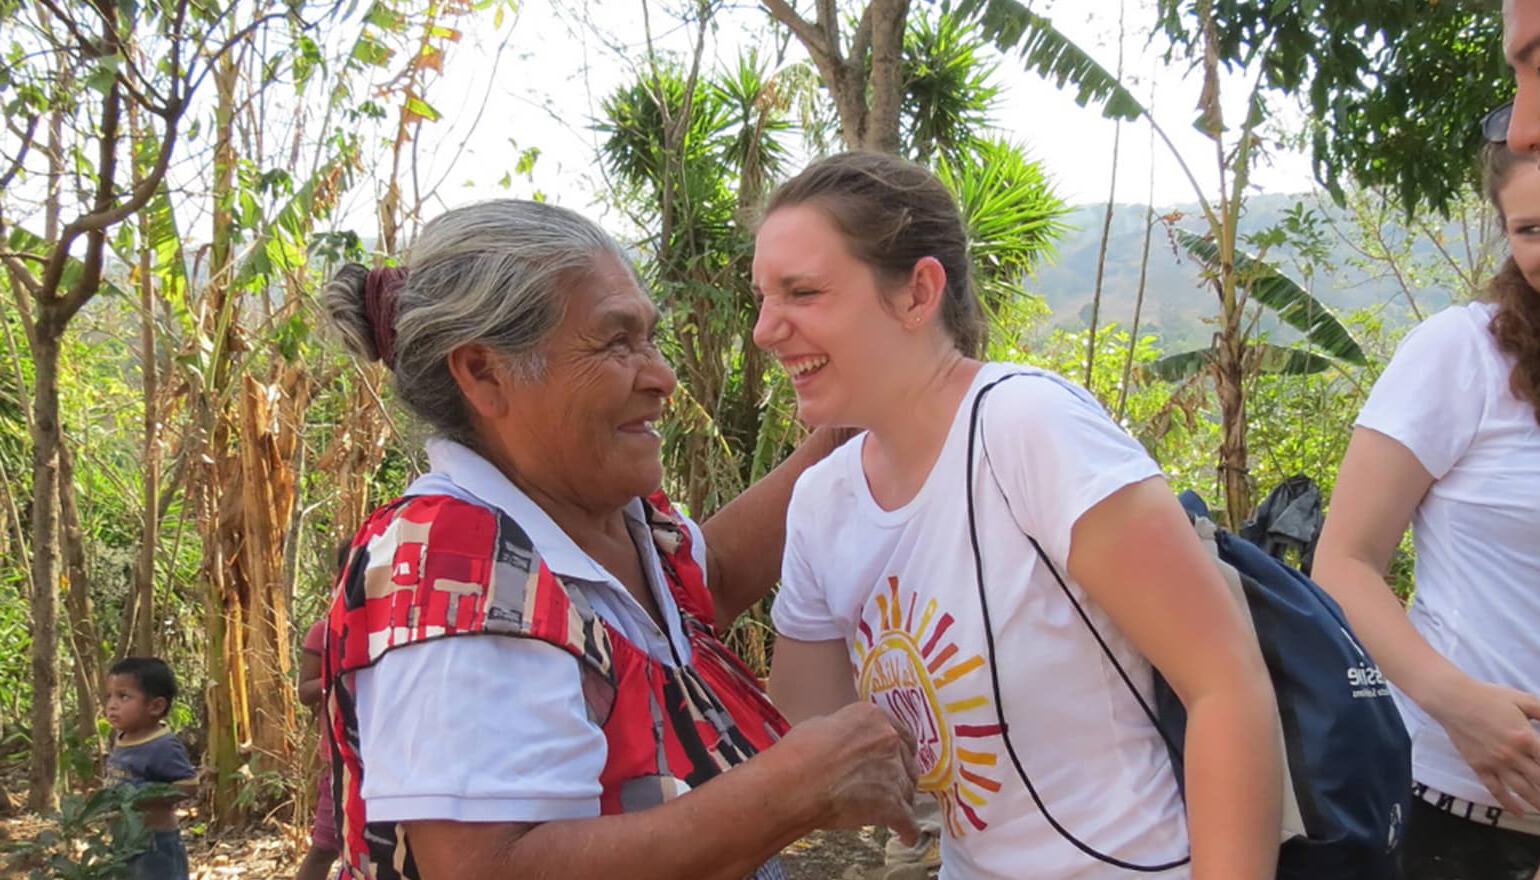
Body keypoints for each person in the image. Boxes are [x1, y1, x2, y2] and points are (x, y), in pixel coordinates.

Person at [318, 199, 921, 880]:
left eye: (649, 339)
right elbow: (486, 868)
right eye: (615, 343)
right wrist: (792, 790)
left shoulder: (606, 516)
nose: (661, 376)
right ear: (484, 373)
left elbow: (707, 583)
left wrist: (851, 418)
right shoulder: (452, 568)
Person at [753, 152, 1282, 880]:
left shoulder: (1027, 427)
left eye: (802, 293)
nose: (764, 330)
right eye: (761, 298)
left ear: (917, 294)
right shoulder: (823, 502)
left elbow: (1226, 684)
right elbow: (807, 742)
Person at [1313, 140, 1540, 879]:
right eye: (1530, 230)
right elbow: (1344, 563)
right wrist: (1460, 706)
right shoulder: (1462, 353)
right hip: (1466, 815)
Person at [103, 656, 198, 880]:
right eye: (110, 696)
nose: (112, 705)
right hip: (122, 839)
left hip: (155, 843)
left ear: (155, 706)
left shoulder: (162, 745)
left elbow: (189, 785)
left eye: (124, 696)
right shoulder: (122, 737)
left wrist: (144, 797)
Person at [292, 610, 339, 880]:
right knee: (324, 847)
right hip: (342, 763)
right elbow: (306, 692)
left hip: (393, 759)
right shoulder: (324, 630)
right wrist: (342, 672)